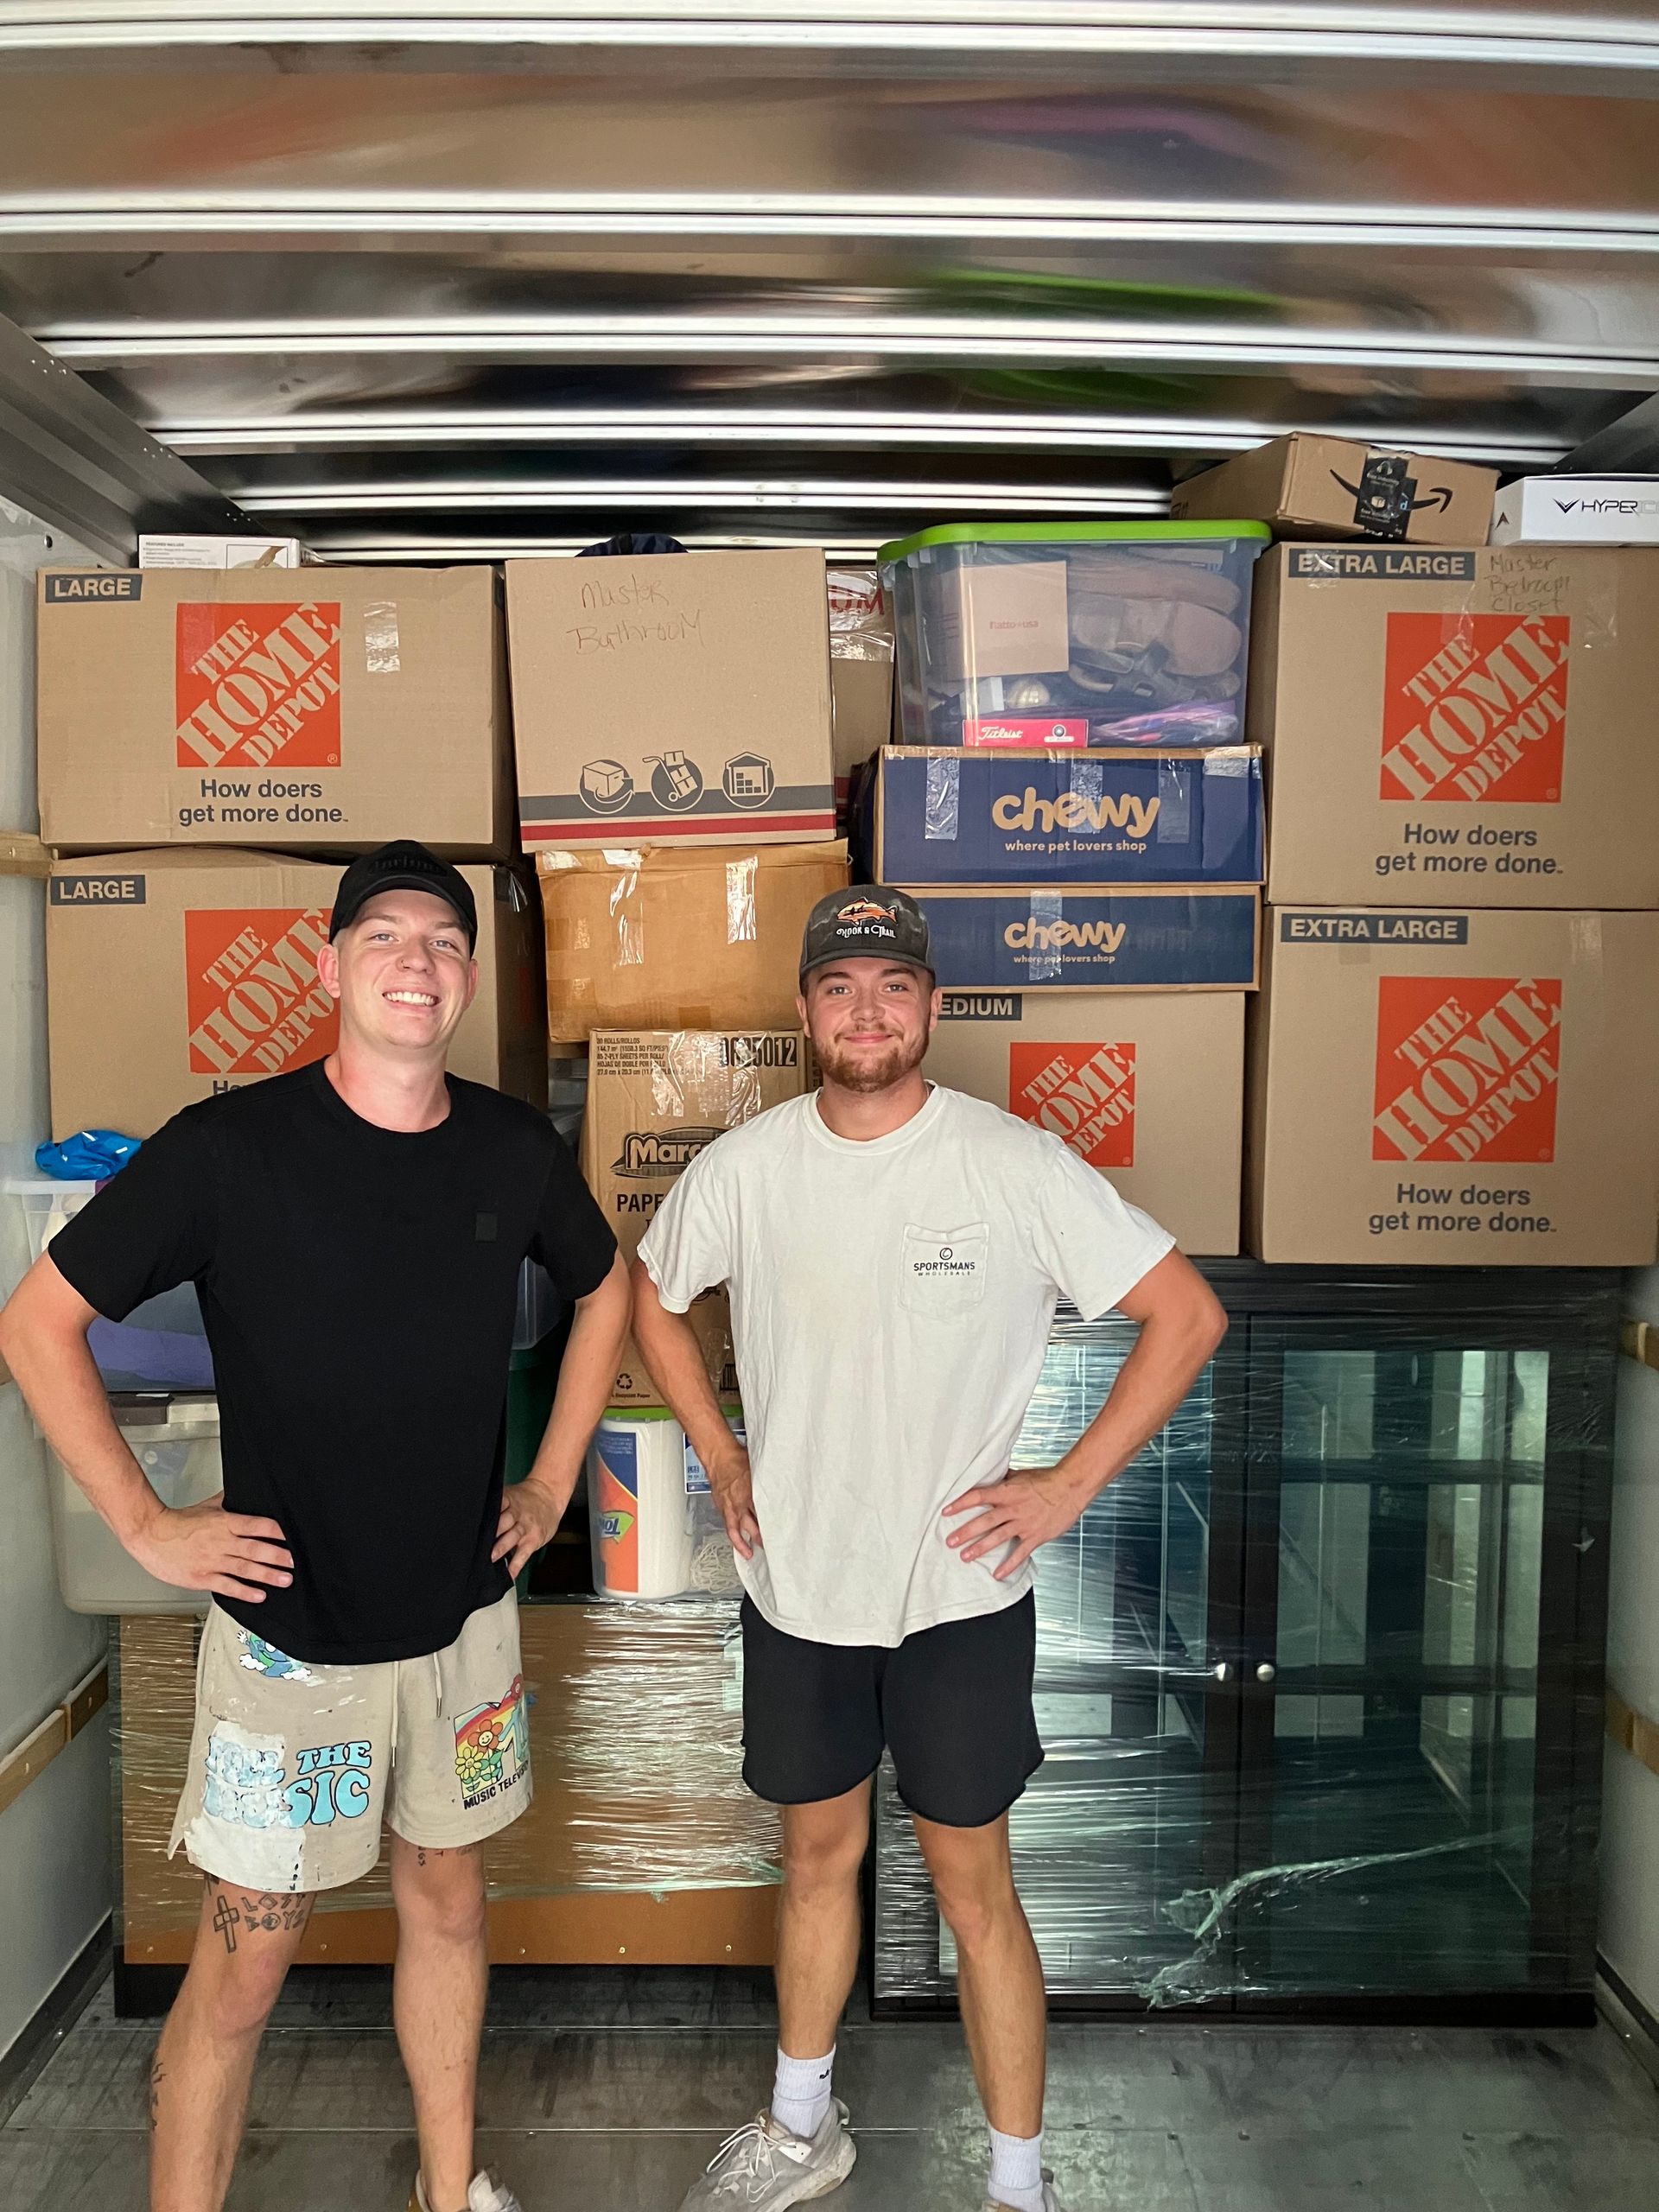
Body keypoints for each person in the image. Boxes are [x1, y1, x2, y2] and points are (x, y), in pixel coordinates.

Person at [0, 841, 630, 2212]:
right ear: (330, 963)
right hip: (291, 1650)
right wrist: (147, 1523)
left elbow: (606, 1287)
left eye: (447, 942)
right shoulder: (228, 1150)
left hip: (460, 1625)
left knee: (450, 1908)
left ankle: (447, 2189)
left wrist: (552, 1479)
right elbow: (38, 1321)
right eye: (388, 936)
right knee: (246, 1963)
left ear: (467, 981)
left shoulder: (513, 1150)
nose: (420, 961)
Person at [632, 886, 1227, 2212]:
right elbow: (652, 1301)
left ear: (931, 1007)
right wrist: (723, 1456)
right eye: (840, 987)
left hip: (960, 1595)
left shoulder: (1009, 1165)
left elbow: (1185, 1316)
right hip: (798, 1590)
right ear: (804, 1012)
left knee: (976, 1890)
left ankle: (1019, 2186)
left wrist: (1067, 1487)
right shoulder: (749, 1168)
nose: (865, 1011)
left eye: (891, 986)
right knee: (816, 1859)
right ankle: (802, 2133)